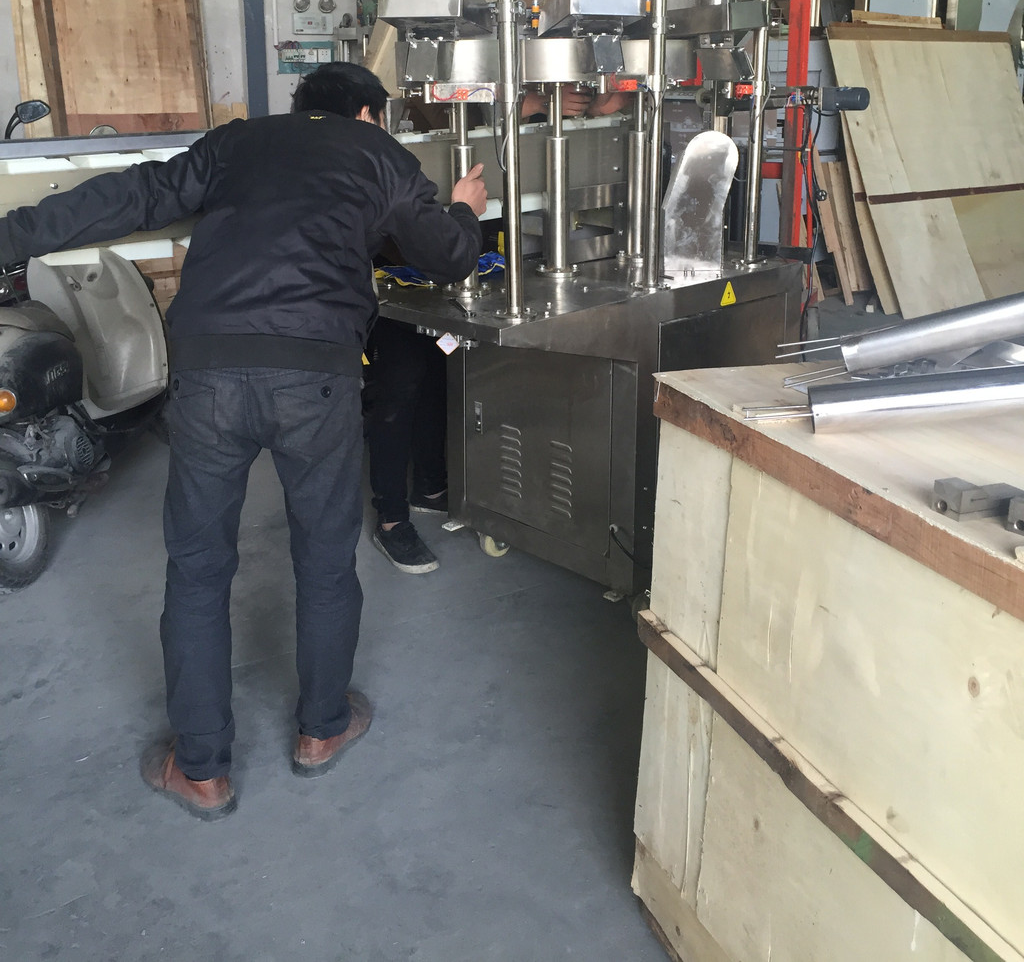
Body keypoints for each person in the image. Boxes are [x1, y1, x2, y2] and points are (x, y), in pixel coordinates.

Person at [0, 62, 487, 821]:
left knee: (197, 570)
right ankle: (322, 730)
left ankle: (200, 770)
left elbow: (132, 195)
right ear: (366, 113)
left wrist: (10, 233)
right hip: (315, 377)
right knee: (325, 560)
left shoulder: (237, 143)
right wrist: (464, 208)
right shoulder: (379, 154)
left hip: (209, 375)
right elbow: (449, 255)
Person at [365, 83, 632, 572]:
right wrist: (512, 107)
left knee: (444, 375)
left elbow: (581, 133)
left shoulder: (534, 90)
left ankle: (431, 487)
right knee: (398, 390)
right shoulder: (417, 96)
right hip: (404, 268)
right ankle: (391, 519)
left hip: (472, 257)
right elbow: (431, 119)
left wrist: (583, 106)